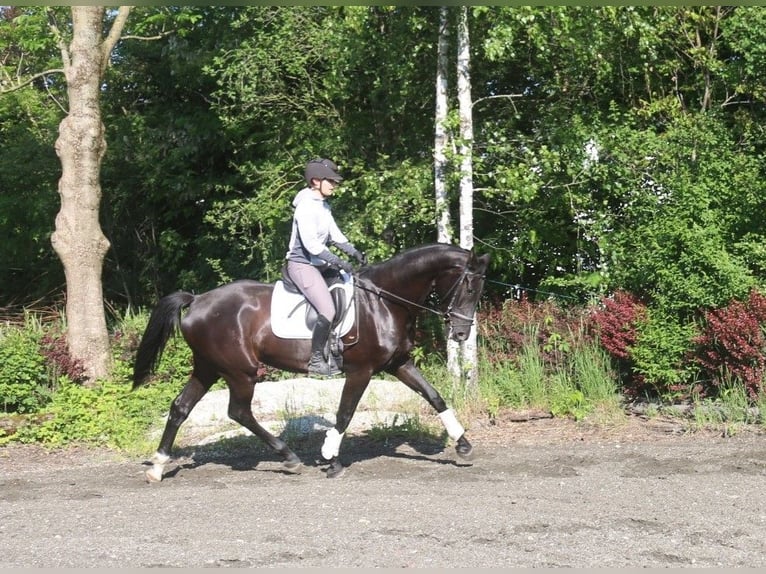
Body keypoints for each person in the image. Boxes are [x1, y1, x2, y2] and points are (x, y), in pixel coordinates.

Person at [285, 158, 366, 377]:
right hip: (302, 265)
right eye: (330, 181)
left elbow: (336, 236)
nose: (334, 185)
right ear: (315, 181)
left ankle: (337, 351)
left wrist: (354, 252)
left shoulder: (323, 205)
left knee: (349, 295)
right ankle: (316, 361)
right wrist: (339, 262)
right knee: (328, 310)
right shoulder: (305, 207)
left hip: (320, 265)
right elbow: (312, 245)